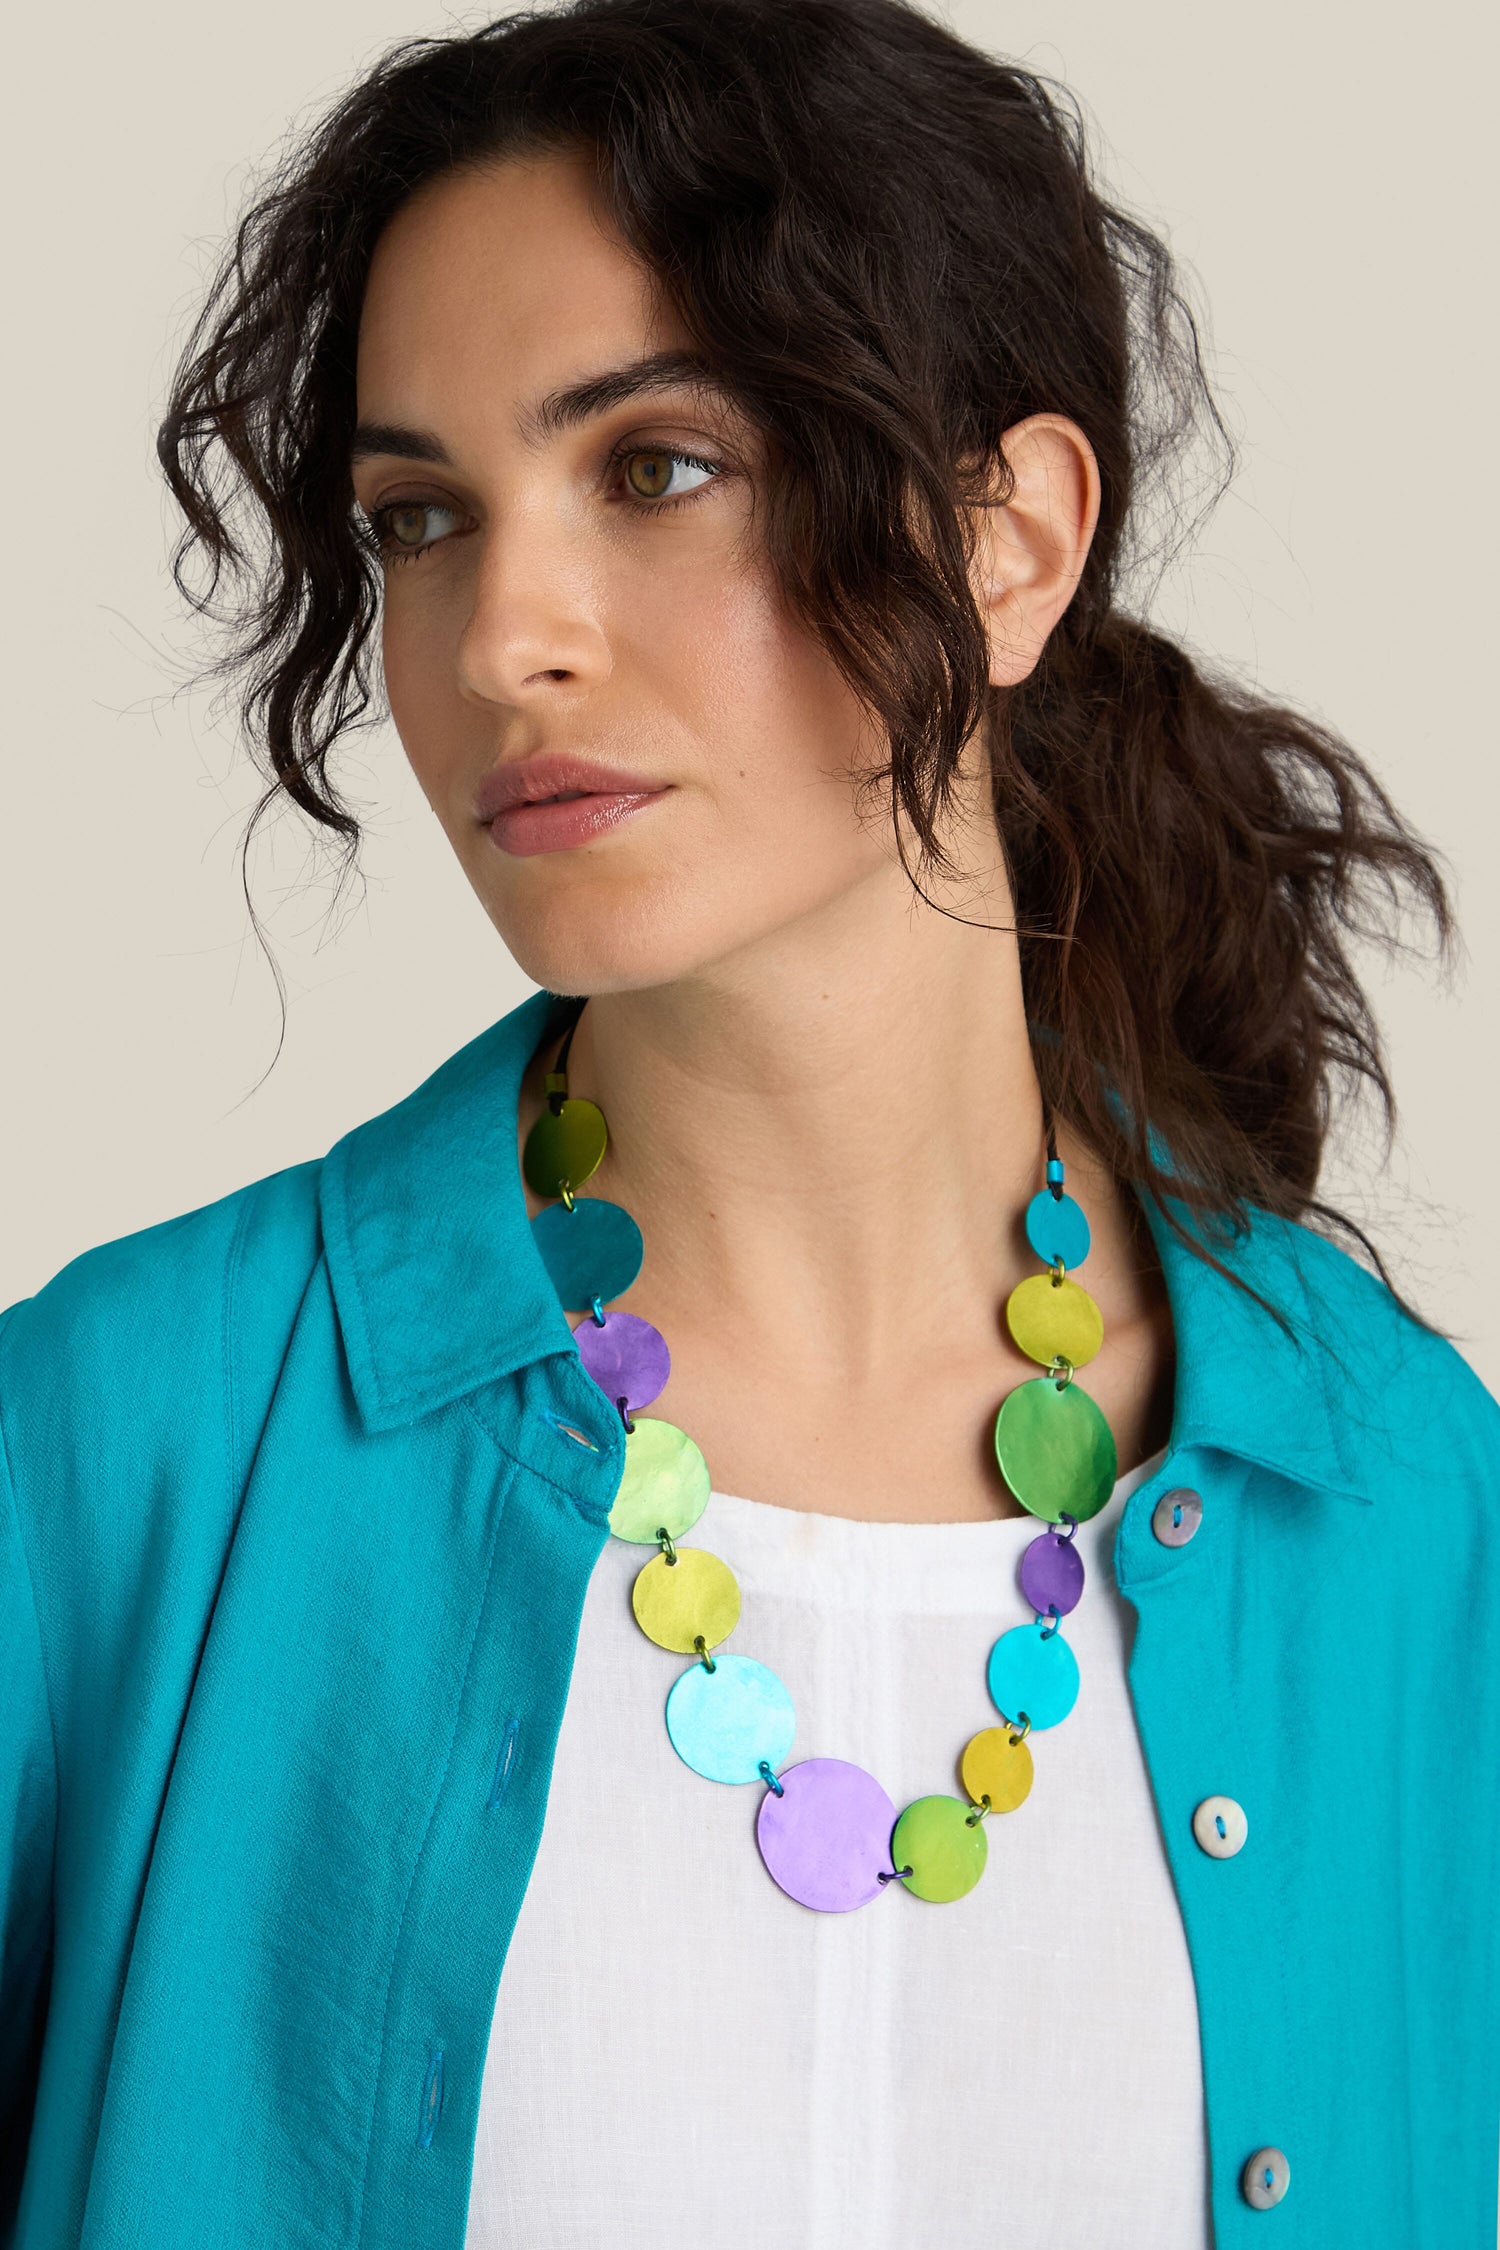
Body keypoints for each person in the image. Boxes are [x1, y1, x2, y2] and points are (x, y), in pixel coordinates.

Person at [2, 0, 1496, 2243]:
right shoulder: (119, 1447)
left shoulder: (1398, 1504)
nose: (503, 634)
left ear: (1010, 542)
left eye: (655, 467)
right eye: (421, 517)